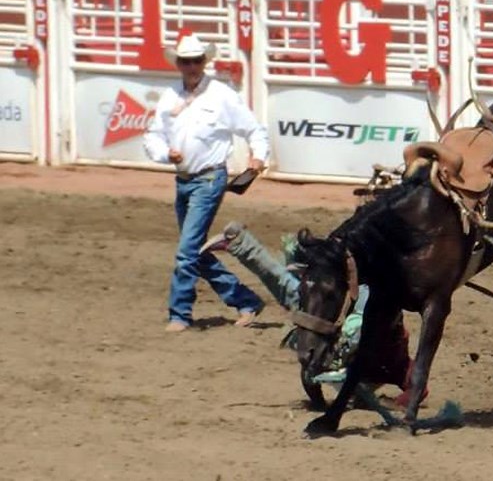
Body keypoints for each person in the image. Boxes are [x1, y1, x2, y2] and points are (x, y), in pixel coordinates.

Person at [202, 222, 426, 407]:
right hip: (352, 313)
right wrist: (390, 404)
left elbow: (310, 377)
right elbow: (418, 386)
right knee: (289, 289)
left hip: (345, 311)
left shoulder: (386, 360)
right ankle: (240, 242)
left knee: (289, 289)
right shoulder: (393, 363)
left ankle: (240, 242)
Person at [143, 33, 269, 332]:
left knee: (187, 251)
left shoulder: (221, 95)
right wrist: (165, 154)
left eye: (196, 61)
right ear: (179, 64)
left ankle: (180, 314)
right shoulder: (170, 96)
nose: (192, 66)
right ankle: (245, 300)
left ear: (204, 62)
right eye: (186, 61)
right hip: (185, 179)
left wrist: (258, 156)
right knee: (194, 250)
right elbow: (153, 135)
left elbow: (254, 129)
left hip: (210, 178)